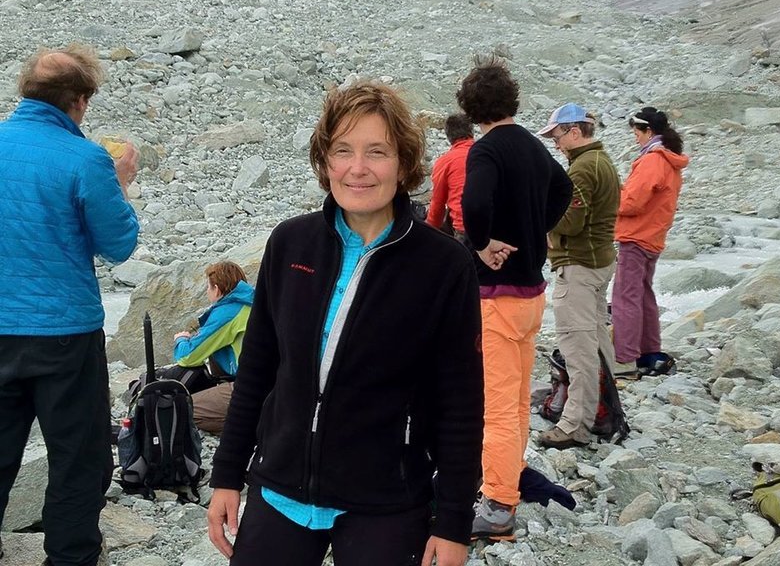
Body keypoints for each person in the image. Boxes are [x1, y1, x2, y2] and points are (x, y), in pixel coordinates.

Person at [207, 81, 483, 566]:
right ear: (324, 160)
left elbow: (460, 401)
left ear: (403, 163)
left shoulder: (443, 265)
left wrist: (453, 522)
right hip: (281, 485)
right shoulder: (290, 244)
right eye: (343, 150)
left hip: (387, 498)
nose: (358, 168)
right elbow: (257, 369)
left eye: (377, 151)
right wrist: (227, 474)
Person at [0, 44, 140, 566]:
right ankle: (70, 558)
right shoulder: (86, 158)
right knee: (77, 457)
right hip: (64, 333)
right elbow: (118, 245)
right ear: (80, 101)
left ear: (25, 91)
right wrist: (119, 183)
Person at [456, 59, 572, 540]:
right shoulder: (531, 144)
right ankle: (509, 477)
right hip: (532, 292)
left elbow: (473, 204)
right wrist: (534, 228)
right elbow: (564, 187)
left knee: (498, 406)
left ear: (471, 107)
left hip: (497, 295)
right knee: (519, 399)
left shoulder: (485, 150)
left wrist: (484, 243)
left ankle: (499, 504)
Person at [536, 104, 620, 449]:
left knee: (578, 348)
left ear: (574, 132)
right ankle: (606, 411)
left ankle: (575, 425)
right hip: (599, 262)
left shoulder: (583, 168)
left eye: (557, 136)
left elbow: (570, 221)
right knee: (597, 341)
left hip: (579, 267)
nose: (555, 143)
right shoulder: (601, 161)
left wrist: (540, 215)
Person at [611, 107, 689, 377]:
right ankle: (649, 352)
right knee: (643, 295)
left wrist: (610, 196)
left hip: (637, 235)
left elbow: (631, 203)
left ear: (648, 131)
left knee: (625, 297)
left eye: (637, 132)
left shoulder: (652, 160)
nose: (635, 137)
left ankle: (624, 358)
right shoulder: (669, 159)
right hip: (653, 235)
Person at [171, 261, 255, 435]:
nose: (207, 292)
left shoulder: (228, 312)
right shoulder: (253, 302)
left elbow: (188, 357)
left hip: (252, 387)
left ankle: (250, 426)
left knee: (180, 409)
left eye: (208, 287)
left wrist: (181, 340)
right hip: (275, 383)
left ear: (217, 289)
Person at [427, 113, 474, 241]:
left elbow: (438, 204)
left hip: (464, 228)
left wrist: (429, 230)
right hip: (497, 227)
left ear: (448, 136)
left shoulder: (445, 161)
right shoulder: (487, 153)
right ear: (471, 131)